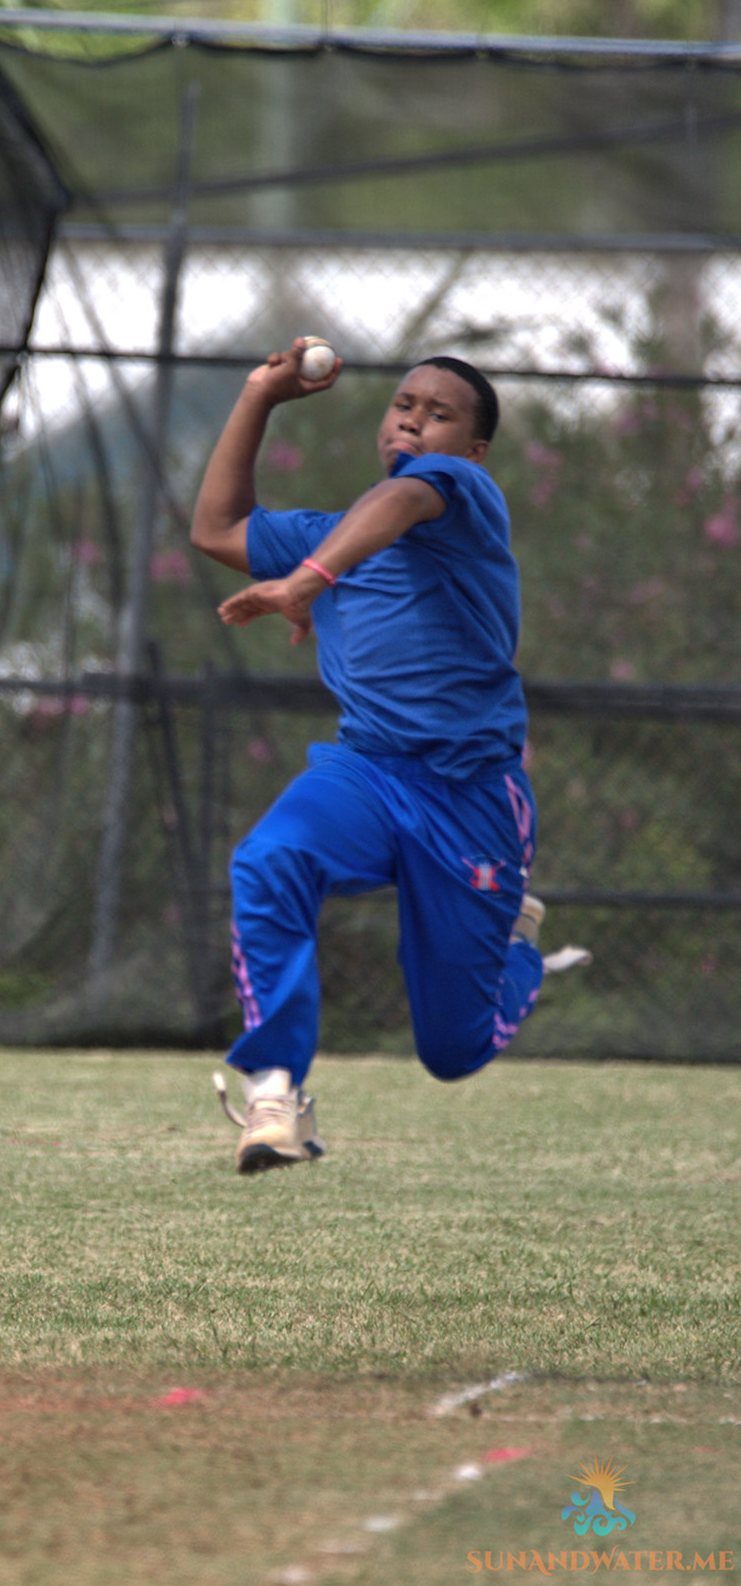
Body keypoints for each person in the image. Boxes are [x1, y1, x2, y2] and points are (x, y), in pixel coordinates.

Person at [190, 340, 588, 1174]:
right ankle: (274, 1093)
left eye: (439, 414)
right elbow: (216, 528)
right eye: (404, 404)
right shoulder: (329, 537)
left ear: (473, 450)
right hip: (365, 774)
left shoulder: (463, 496)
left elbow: (407, 497)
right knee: (268, 860)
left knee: (453, 1051)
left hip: (471, 799)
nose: (414, 418)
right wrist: (260, 396)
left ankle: (519, 945)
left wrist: (305, 583)